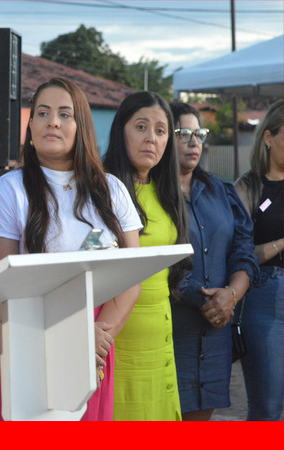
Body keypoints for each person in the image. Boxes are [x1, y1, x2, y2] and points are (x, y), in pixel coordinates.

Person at [0, 78, 143, 421]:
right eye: (42, 113)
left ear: (82, 127)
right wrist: (72, 336)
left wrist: (94, 339)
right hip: (27, 342)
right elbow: (3, 289)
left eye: (65, 114)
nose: (52, 122)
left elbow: (130, 279)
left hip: (94, 343)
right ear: (31, 126)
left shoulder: (112, 190)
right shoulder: (8, 191)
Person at [103, 91, 191, 421]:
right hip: (117, 335)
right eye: (141, 127)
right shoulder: (102, 189)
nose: (151, 138)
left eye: (160, 130)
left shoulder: (166, 191)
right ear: (120, 131)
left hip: (161, 335)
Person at [169, 102, 258, 421]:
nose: (194, 142)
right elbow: (154, 261)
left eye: (199, 134)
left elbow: (244, 250)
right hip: (173, 330)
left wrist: (230, 295)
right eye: (184, 133)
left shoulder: (221, 192)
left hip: (217, 328)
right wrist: (207, 299)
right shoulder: (150, 195)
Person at [234, 99, 283, 421]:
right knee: (267, 407)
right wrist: (280, 244)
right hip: (265, 298)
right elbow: (238, 253)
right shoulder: (249, 187)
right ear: (268, 137)